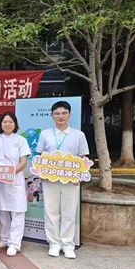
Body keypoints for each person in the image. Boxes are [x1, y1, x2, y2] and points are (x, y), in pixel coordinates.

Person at [36, 101, 89, 259]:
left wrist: (79, 176)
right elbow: (39, 155)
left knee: (69, 212)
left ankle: (67, 244)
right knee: (50, 212)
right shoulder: (45, 134)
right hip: (49, 180)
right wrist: (41, 172)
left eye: (64, 113)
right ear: (52, 115)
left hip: (71, 181)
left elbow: (83, 157)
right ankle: (54, 243)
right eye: (57, 113)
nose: (60, 116)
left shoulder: (79, 135)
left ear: (69, 115)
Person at [0, 112, 31, 256]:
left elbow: (23, 162)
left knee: (17, 212)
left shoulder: (21, 140)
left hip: (15, 180)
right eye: (5, 122)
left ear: (15, 124)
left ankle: (15, 243)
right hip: (0, 181)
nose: (7, 124)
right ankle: (4, 238)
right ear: (1, 124)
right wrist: (0, 174)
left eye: (10, 122)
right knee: (2, 211)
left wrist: (10, 173)